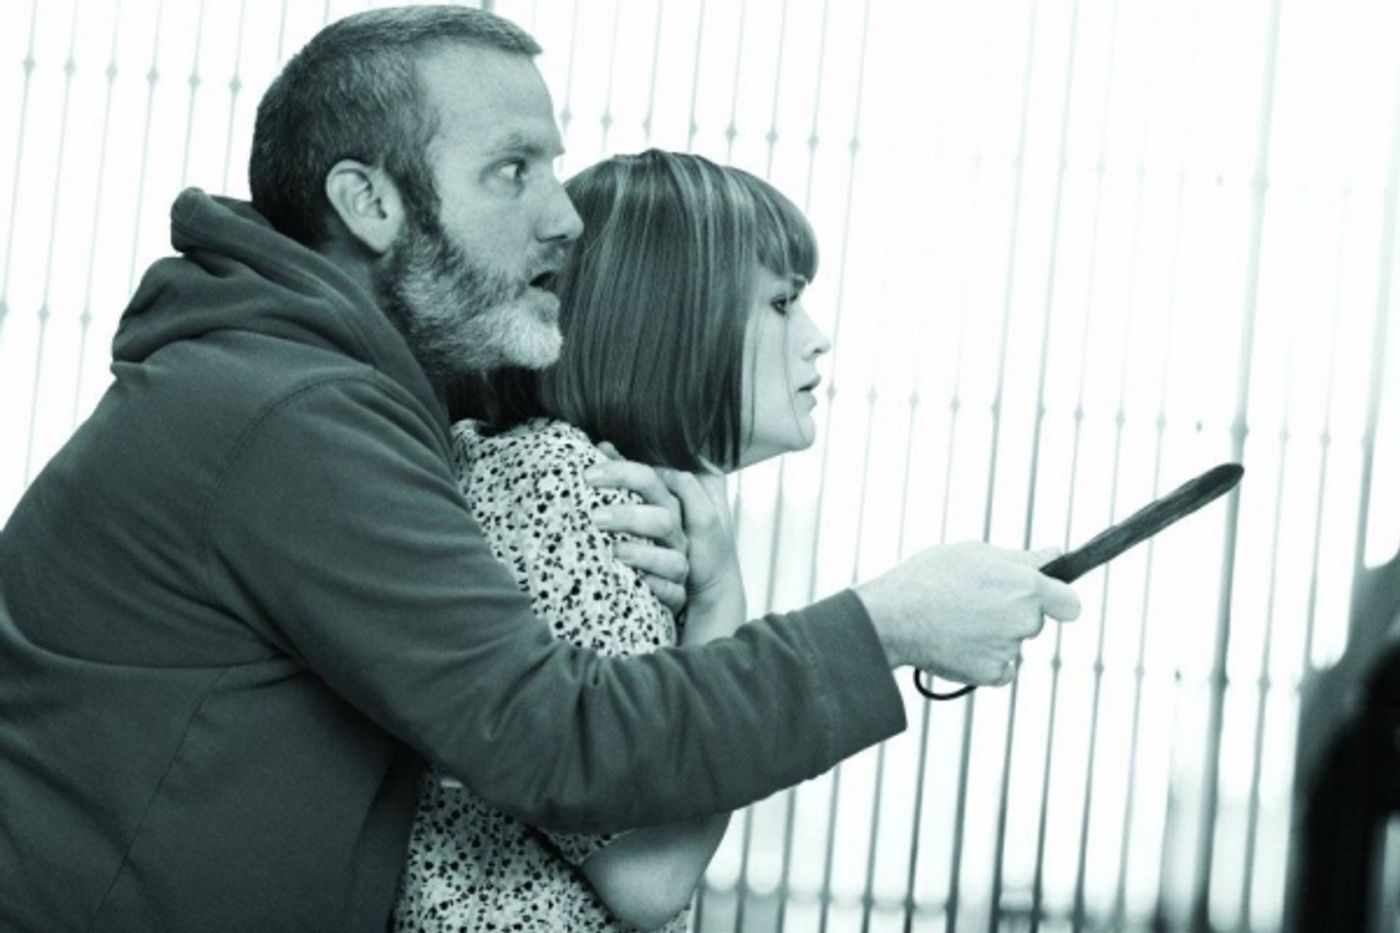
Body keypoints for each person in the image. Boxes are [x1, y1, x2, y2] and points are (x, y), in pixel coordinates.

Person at [0, 7, 1080, 933]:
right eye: (512, 170)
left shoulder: (342, 400)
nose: (564, 218)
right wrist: (883, 626)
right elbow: (559, 741)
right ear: (369, 203)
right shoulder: (297, 417)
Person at [396, 150, 833, 931]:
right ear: (673, 315)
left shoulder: (602, 488)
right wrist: (721, 602)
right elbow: (652, 875)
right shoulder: (569, 490)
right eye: (780, 302)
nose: (816, 338)